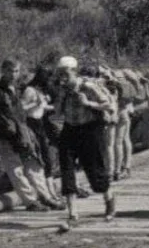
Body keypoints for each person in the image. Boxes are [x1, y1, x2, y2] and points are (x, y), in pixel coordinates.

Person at [0, 59, 62, 211]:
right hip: (7, 136)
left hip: (21, 133)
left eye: (16, 71)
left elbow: (19, 112)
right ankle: (31, 202)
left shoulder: (13, 89)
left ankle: (45, 197)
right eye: (10, 71)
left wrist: (23, 132)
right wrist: (4, 133)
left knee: (34, 164)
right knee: (16, 169)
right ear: (2, 71)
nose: (13, 75)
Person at [53, 56, 118, 223]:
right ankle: (73, 213)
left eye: (65, 73)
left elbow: (109, 105)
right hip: (70, 129)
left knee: (95, 170)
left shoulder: (88, 86)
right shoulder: (61, 90)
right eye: (60, 73)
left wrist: (88, 103)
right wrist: (57, 103)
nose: (62, 77)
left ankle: (109, 200)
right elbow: (58, 114)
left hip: (90, 129)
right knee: (67, 170)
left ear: (74, 71)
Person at [20, 65, 62, 203]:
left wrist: (56, 107)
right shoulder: (30, 90)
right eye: (47, 77)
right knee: (40, 157)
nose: (49, 81)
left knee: (46, 158)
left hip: (40, 124)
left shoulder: (39, 90)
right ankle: (46, 194)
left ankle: (51, 191)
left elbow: (42, 107)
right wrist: (35, 103)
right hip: (32, 124)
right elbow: (21, 108)